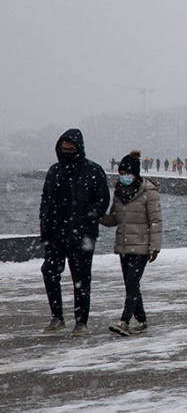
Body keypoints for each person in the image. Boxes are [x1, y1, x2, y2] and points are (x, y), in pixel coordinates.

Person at [39, 128, 111, 336]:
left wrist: (91, 216)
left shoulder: (93, 171)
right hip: (55, 234)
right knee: (49, 271)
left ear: (79, 149)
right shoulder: (54, 171)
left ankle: (81, 322)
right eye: (64, 148)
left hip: (82, 235)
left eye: (72, 149)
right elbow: (45, 201)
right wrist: (45, 227)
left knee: (81, 279)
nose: (68, 152)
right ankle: (57, 316)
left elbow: (102, 199)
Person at [101, 151, 163, 336]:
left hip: (141, 246)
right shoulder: (119, 193)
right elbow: (114, 219)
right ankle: (142, 321)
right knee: (131, 285)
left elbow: (156, 221)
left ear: (136, 174)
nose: (124, 177)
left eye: (128, 174)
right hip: (124, 246)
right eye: (122, 173)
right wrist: (96, 216)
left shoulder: (149, 192)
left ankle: (125, 321)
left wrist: (155, 247)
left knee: (132, 282)